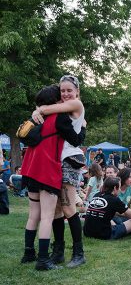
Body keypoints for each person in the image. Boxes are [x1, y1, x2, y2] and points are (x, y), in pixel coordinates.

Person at [21, 85, 85, 270]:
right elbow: (76, 139)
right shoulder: (59, 118)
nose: (64, 96)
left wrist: (38, 109)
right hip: (47, 170)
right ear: (56, 100)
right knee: (49, 215)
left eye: (68, 91)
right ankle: (44, 259)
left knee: (36, 214)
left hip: (30, 170)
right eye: (61, 93)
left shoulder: (37, 119)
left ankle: (29, 253)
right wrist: (83, 128)